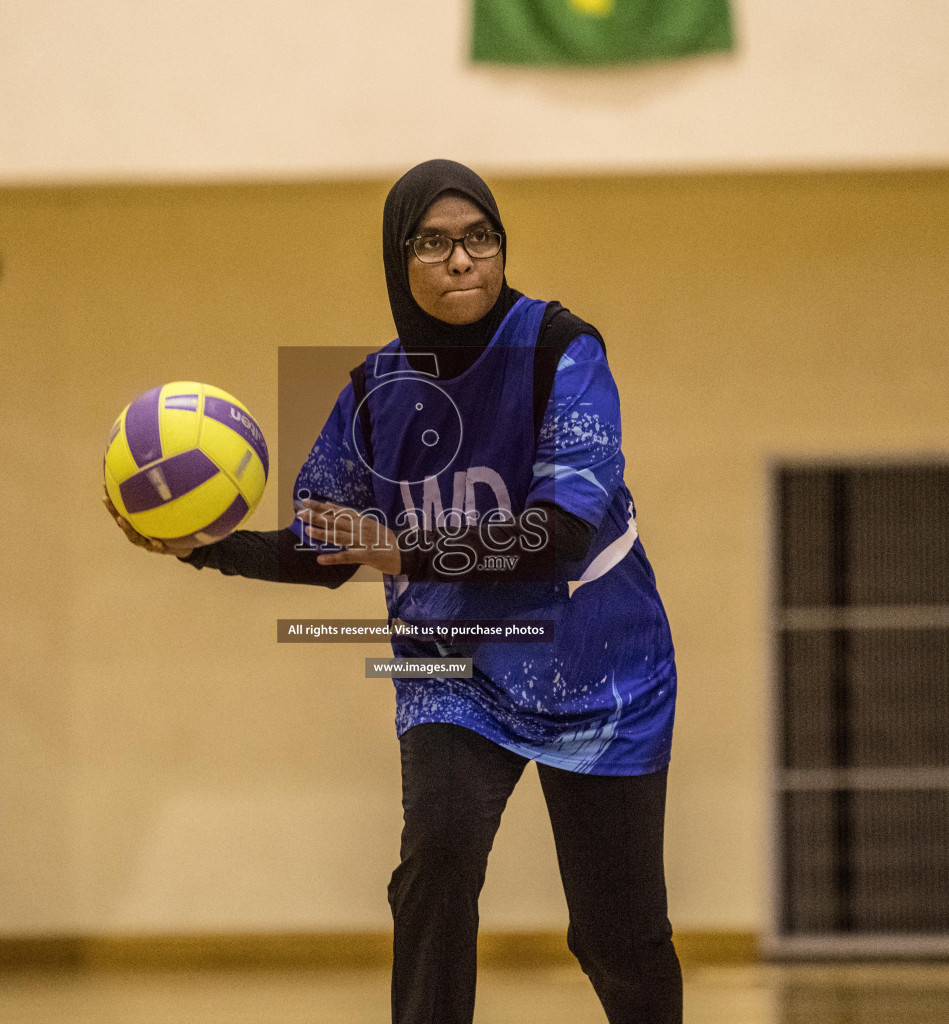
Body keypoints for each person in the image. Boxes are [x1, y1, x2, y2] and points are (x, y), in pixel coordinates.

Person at [106, 159, 681, 1023]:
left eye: (481, 238)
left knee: (615, 932)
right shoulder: (375, 391)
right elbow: (327, 549)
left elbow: (557, 535)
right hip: (453, 672)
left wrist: (403, 549)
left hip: (600, 667)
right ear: (397, 258)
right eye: (437, 243)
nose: (463, 261)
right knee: (438, 863)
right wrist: (203, 547)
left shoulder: (563, 349)